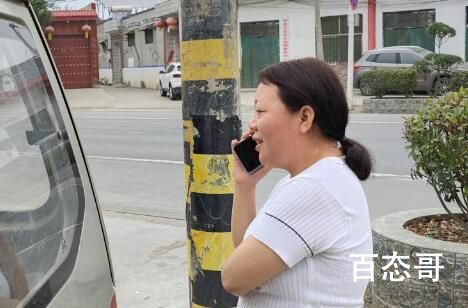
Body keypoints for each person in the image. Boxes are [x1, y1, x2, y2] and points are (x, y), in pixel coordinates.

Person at [221, 58, 373, 307]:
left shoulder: (315, 188)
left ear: (304, 118)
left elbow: (233, 278)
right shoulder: (318, 179)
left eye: (260, 111)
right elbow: (246, 254)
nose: (252, 124)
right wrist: (244, 186)